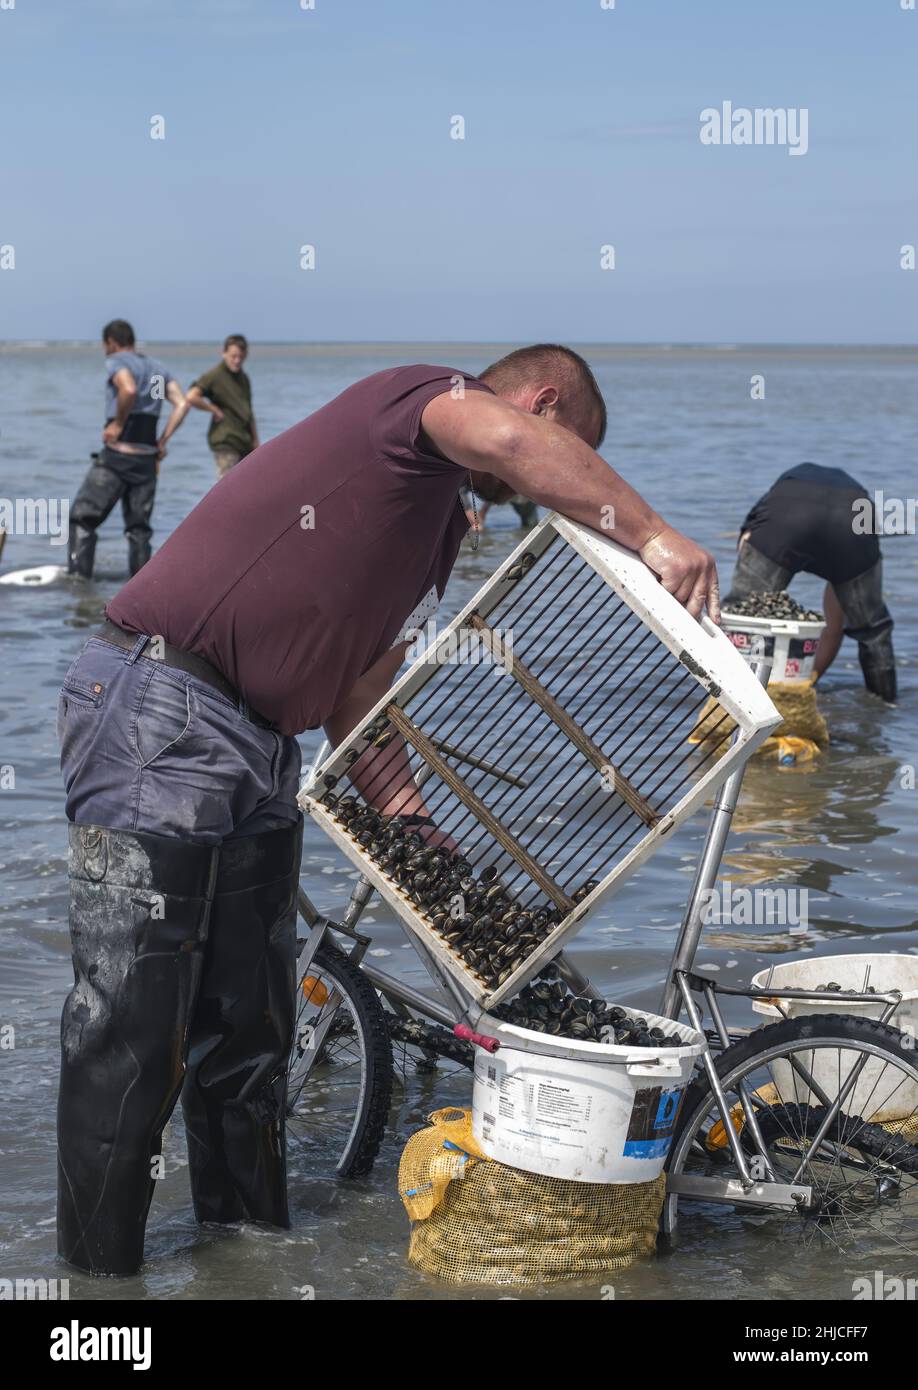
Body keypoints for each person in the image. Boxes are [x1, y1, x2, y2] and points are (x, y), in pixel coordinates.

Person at [55, 344, 720, 1276]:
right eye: (563, 446)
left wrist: (415, 832)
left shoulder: (438, 530)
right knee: (129, 1027)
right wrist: (651, 533)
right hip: (157, 703)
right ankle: (93, 1296)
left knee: (250, 1037)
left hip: (264, 746)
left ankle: (246, 1267)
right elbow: (505, 438)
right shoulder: (419, 402)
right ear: (539, 402)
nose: (544, 487)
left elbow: (359, 703)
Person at [725, 462, 896, 702]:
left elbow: (747, 544)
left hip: (789, 515)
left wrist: (744, 601)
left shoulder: (765, 510)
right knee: (872, 631)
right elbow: (834, 629)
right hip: (854, 515)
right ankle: (886, 707)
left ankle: (731, 702)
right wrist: (809, 682)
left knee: (742, 615)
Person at [67, 320, 189, 579]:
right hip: (146, 458)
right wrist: (163, 440)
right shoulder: (157, 369)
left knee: (83, 518)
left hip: (118, 455)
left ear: (111, 342)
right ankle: (139, 590)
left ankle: (78, 584)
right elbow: (182, 404)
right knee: (139, 530)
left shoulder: (117, 361)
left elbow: (128, 388)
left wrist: (118, 424)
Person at [186, 334, 259, 476]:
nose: (237, 361)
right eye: (233, 356)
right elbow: (191, 396)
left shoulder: (244, 378)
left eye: (241, 357)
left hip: (244, 442)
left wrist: (256, 442)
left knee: (248, 491)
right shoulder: (215, 375)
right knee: (229, 491)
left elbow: (249, 412)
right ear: (224, 353)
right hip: (226, 442)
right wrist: (213, 409)